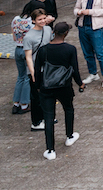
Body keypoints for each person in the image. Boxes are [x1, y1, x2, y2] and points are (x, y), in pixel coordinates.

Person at [34, 22, 84, 160]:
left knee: (48, 117)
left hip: (46, 87)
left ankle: (50, 150)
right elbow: (74, 69)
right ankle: (69, 136)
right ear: (66, 33)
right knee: (68, 109)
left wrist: (38, 86)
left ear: (53, 32)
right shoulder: (70, 49)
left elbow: (37, 70)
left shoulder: (43, 50)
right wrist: (80, 83)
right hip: (64, 86)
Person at [23, 9, 53, 131]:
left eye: (44, 18)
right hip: (36, 69)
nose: (43, 21)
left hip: (47, 68)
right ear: (34, 20)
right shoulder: (29, 36)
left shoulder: (48, 29)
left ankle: (46, 117)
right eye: (39, 19)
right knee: (36, 97)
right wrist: (33, 73)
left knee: (47, 94)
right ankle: (36, 122)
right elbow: (28, 57)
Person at [11, 11, 33, 114]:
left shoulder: (15, 19)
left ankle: (16, 104)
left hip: (17, 49)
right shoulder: (31, 22)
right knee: (27, 77)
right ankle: (24, 104)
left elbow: (14, 37)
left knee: (20, 76)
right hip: (27, 50)